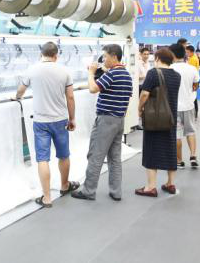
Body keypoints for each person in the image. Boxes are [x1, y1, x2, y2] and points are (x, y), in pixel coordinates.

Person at [15, 42, 78, 208]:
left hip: (41, 122)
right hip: (60, 120)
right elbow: (70, 97)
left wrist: (17, 98)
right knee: (63, 155)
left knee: (42, 158)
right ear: (56, 56)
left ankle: (47, 197)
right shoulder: (64, 71)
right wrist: (72, 119)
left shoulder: (32, 69)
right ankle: (64, 186)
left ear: (41, 54)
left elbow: (20, 90)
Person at [71, 44, 133, 202]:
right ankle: (116, 191)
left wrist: (91, 73)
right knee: (115, 157)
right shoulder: (125, 74)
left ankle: (88, 191)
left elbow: (93, 89)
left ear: (114, 56)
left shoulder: (112, 74)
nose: (103, 59)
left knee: (95, 155)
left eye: (105, 56)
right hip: (119, 120)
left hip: (105, 120)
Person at [136, 48, 181, 197]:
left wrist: (139, 108)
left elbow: (145, 94)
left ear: (157, 58)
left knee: (151, 149)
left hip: (154, 117)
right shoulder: (177, 76)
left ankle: (150, 187)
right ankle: (170, 183)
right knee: (170, 148)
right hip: (170, 118)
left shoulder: (153, 73)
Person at [169, 44, 200, 169]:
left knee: (177, 134)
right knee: (190, 131)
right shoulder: (192, 69)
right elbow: (196, 85)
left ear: (172, 54)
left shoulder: (169, 68)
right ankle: (193, 156)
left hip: (174, 106)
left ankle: (179, 161)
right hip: (188, 105)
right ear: (184, 54)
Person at [185, 45, 200, 117]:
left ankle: (195, 113)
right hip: (193, 80)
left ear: (192, 52)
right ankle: (195, 113)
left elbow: (191, 71)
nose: (186, 53)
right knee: (193, 97)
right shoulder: (191, 58)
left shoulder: (193, 59)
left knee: (193, 97)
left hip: (193, 81)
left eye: (187, 52)